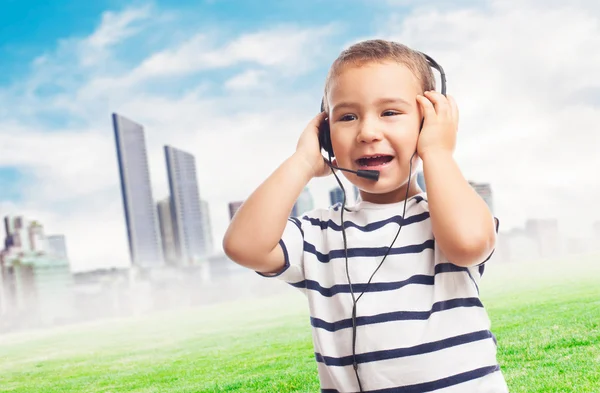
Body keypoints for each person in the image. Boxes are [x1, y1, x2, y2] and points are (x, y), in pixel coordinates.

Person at [223, 39, 509, 393]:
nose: (368, 133)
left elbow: (469, 244)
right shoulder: (318, 234)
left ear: (427, 123)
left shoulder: (448, 213)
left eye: (390, 112)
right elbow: (244, 246)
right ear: (326, 136)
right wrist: (301, 162)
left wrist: (437, 151)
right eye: (346, 117)